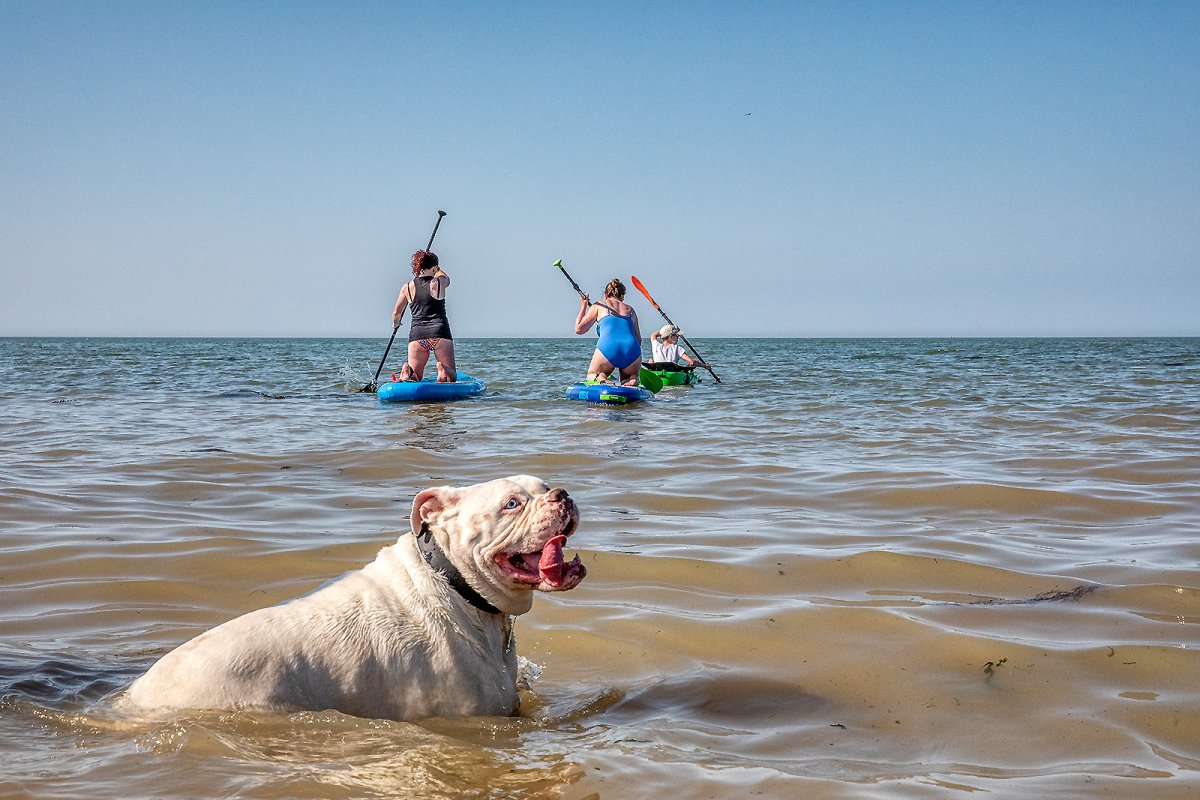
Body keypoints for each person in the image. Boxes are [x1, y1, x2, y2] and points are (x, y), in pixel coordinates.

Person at [392, 250, 456, 382]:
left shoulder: (407, 287)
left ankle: (409, 372)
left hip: (417, 335)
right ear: (433, 268)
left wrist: (396, 325)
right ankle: (443, 369)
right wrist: (438, 269)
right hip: (439, 332)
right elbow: (447, 279)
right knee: (452, 376)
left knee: (416, 378)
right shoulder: (439, 282)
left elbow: (396, 313)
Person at [574, 278, 642, 386]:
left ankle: (601, 376)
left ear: (606, 294)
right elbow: (639, 339)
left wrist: (583, 306)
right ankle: (632, 378)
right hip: (631, 348)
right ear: (622, 296)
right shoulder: (631, 310)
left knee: (592, 374)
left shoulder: (599, 305)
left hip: (608, 347)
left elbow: (579, 329)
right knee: (628, 377)